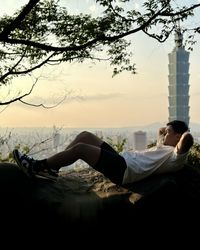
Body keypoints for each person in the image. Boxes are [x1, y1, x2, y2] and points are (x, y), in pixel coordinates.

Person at [13, 120, 194, 185]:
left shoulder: (174, 157)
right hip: (122, 159)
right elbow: (162, 131)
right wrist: (168, 130)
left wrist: (183, 133)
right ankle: (53, 169)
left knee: (81, 149)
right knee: (85, 136)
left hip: (124, 170)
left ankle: (37, 167)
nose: (164, 133)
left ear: (178, 137)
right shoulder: (165, 146)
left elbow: (187, 140)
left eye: (170, 133)